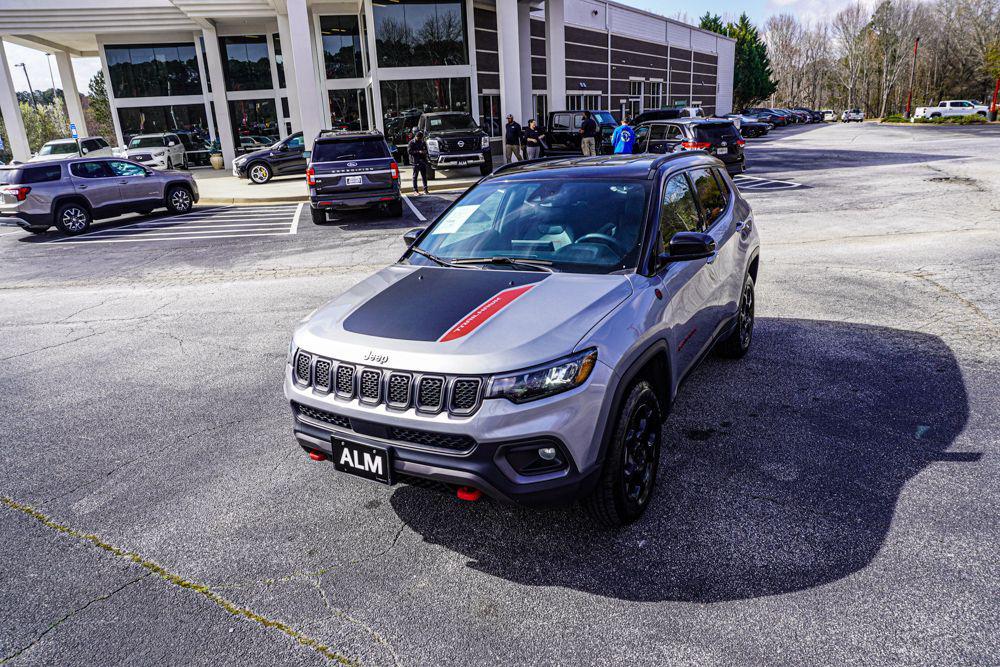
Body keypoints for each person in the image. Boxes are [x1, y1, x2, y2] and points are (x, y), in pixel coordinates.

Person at [407, 131, 430, 195]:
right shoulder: (411, 142)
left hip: (422, 160)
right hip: (415, 161)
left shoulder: (422, 142)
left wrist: (424, 152)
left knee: (424, 176)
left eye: (421, 138)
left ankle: (425, 190)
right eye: (418, 138)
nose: (419, 139)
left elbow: (426, 150)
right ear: (416, 136)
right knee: (415, 176)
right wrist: (418, 152)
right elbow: (409, 151)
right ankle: (415, 191)